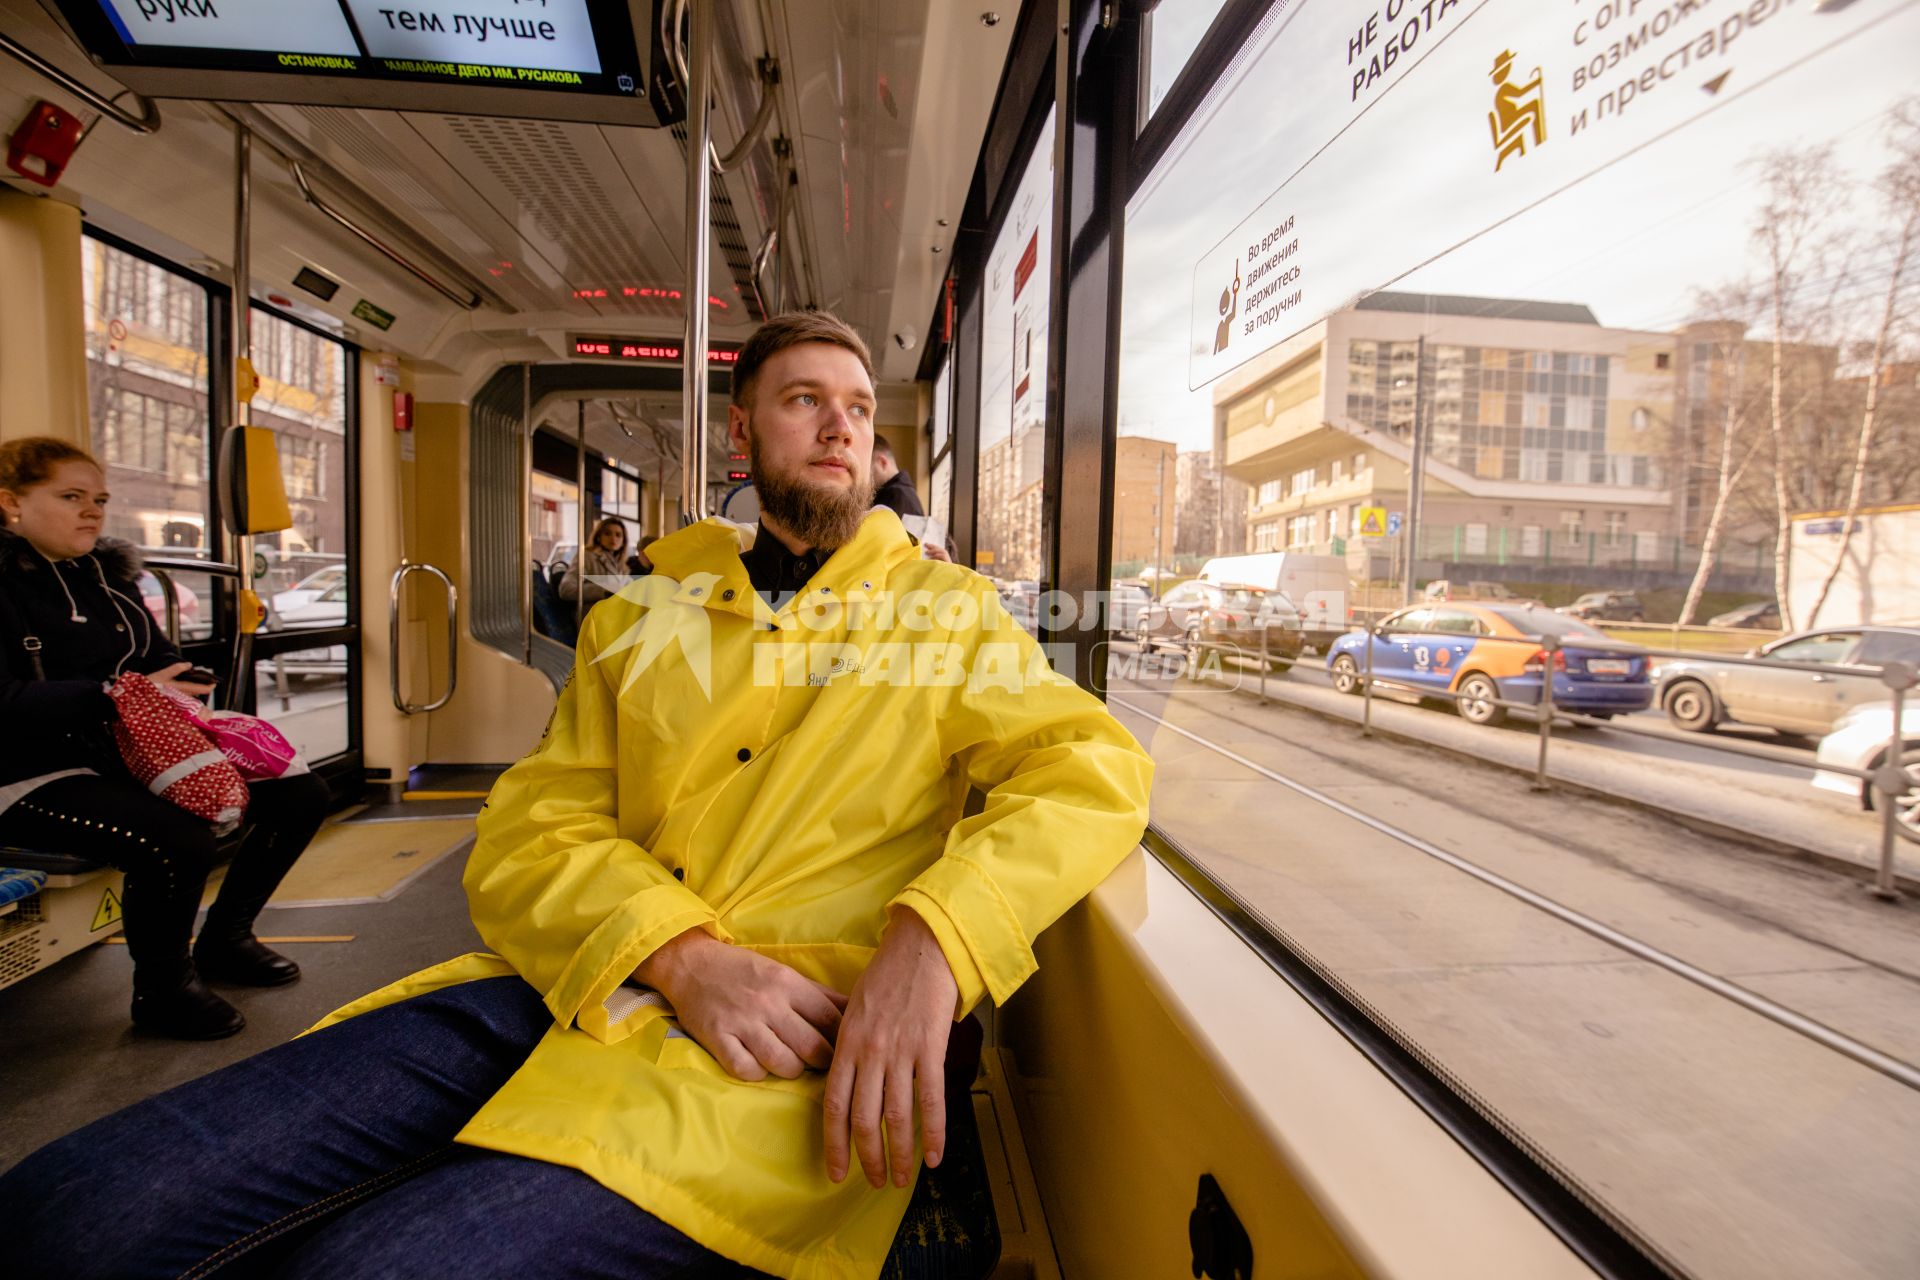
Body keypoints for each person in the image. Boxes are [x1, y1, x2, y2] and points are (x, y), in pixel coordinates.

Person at [1, 314, 1154, 1279]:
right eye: (804, 398)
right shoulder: (636, 617)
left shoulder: (949, 617)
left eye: (857, 402)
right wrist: (682, 953)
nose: (842, 419)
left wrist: (934, 937)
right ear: (742, 431)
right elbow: (531, 827)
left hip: (773, 1056)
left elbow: (1090, 773)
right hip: (568, 986)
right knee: (68, 1206)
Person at [0, 437, 331, 1041]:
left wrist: (183, 679)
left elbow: (157, 657)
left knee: (302, 794)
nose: (92, 511)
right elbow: (7, 703)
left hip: (121, 753)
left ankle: (226, 937)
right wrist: (115, 693)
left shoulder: (106, 580)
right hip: (25, 769)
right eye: (70, 497)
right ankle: (162, 989)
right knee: (173, 839)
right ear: (9, 503)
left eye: (98, 499)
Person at [557, 515, 629, 607]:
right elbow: (566, 589)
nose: (613, 538)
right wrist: (604, 590)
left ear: (623, 541)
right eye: (607, 533)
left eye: (618, 535)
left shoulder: (620, 564)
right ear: (598, 536)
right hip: (593, 615)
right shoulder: (587, 557)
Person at [868, 434, 924, 517]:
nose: (866, 476)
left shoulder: (895, 497)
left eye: (868, 468)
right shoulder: (904, 494)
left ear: (882, 463)